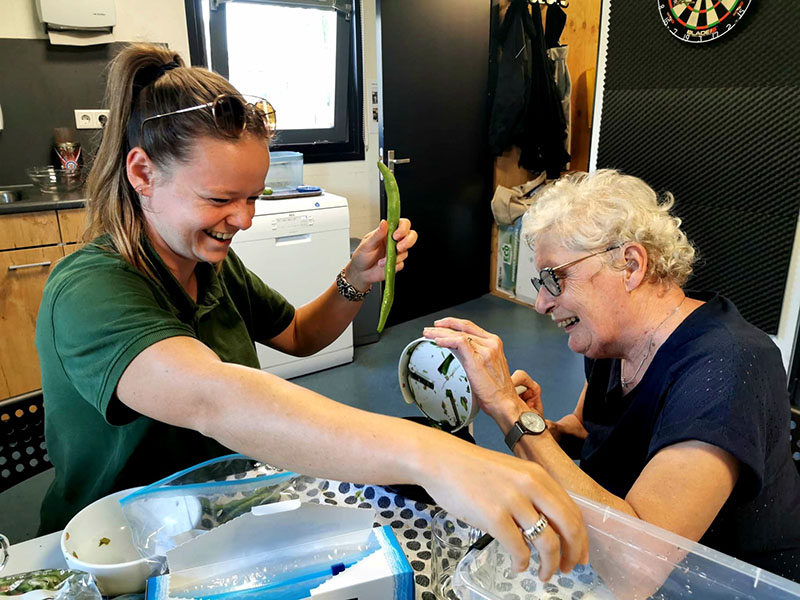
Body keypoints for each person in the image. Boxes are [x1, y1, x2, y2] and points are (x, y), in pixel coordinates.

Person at [34, 43, 588, 578]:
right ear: (142, 174)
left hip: (219, 519)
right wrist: (434, 456)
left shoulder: (210, 268)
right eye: (220, 199)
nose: (244, 219)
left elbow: (298, 334)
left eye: (253, 196)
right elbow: (215, 398)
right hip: (120, 554)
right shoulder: (89, 291)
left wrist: (356, 278)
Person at [424, 169, 800, 582]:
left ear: (630, 265)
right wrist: (539, 428)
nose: (542, 303)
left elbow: (637, 569)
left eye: (554, 278)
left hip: (728, 585)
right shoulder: (615, 342)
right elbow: (586, 430)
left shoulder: (727, 368)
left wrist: (509, 410)